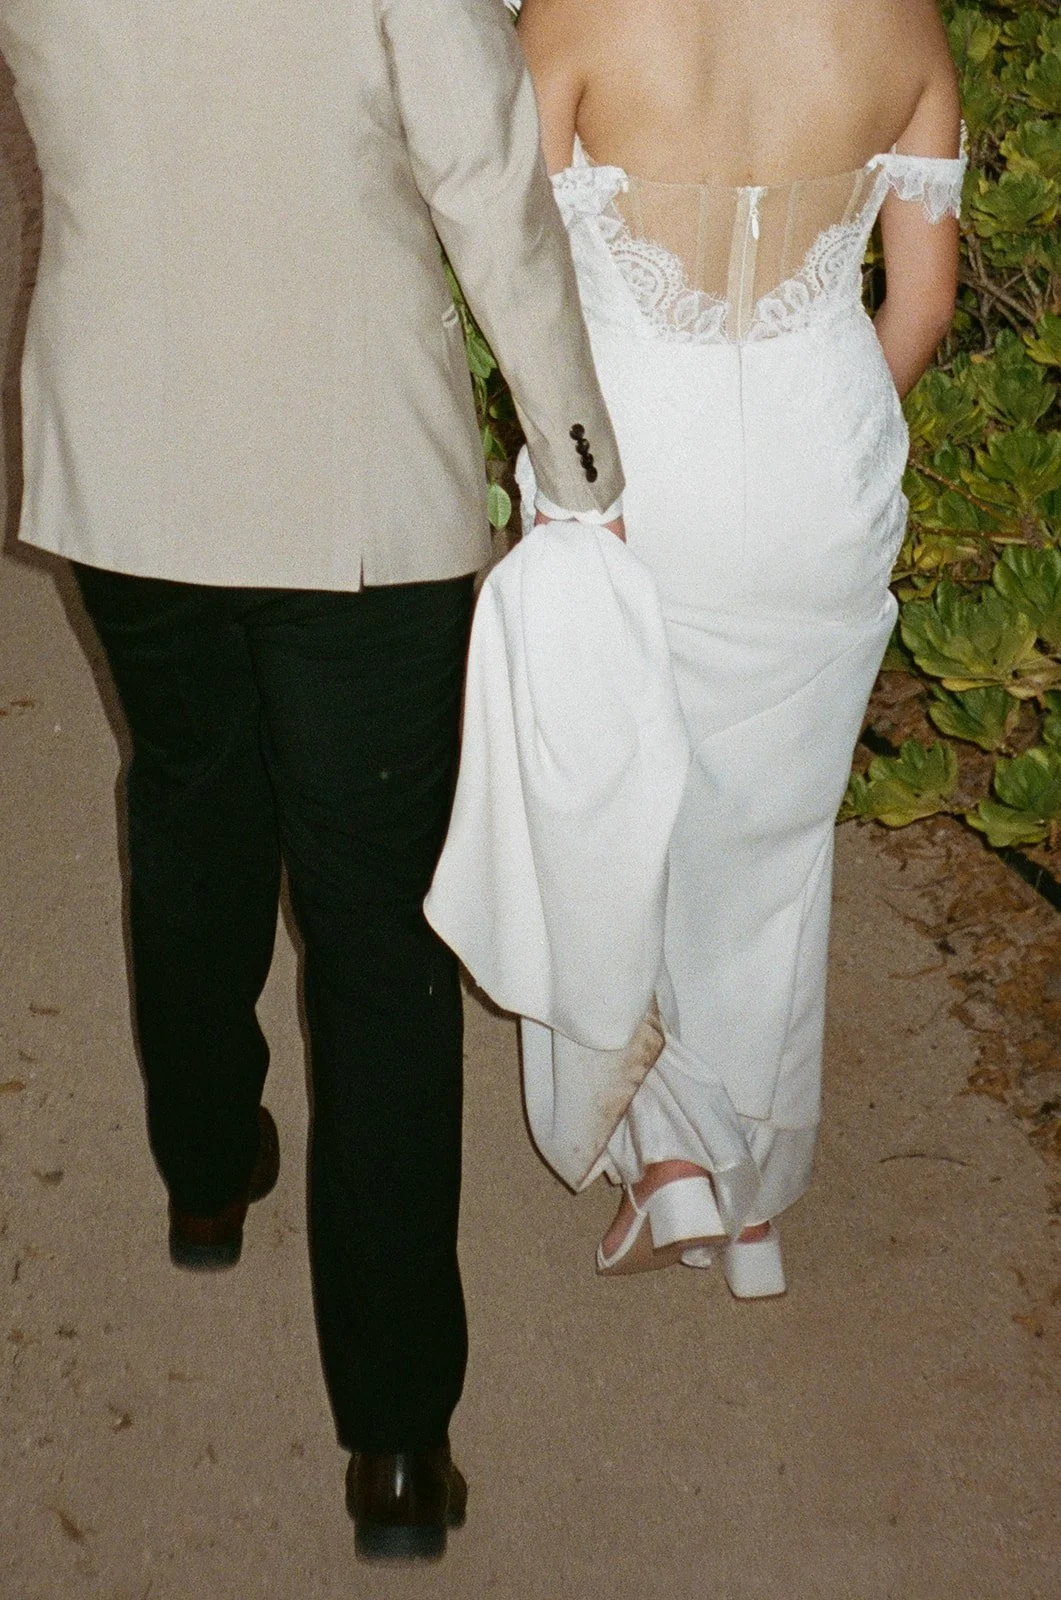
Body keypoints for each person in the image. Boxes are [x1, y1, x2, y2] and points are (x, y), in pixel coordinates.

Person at [0, 0, 624, 1562]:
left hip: (123, 451)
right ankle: (397, 1442)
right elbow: (485, 181)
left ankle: (207, 1178)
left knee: (189, 800)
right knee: (380, 940)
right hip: (359, 469)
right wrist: (581, 463)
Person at [501, 0, 965, 1291]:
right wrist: (828, 436)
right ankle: (751, 1201)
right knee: (771, 840)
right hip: (824, 466)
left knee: (612, 809)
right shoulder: (906, 23)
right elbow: (923, 305)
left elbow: (514, 270)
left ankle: (668, 1152)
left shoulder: (577, 15)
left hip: (632, 462)